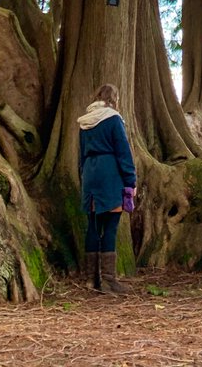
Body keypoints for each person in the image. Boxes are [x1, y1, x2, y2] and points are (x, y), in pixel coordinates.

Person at [77, 83, 137, 294]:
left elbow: (81, 156)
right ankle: (109, 281)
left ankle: (90, 280)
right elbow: (123, 151)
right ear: (114, 99)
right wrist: (131, 181)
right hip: (110, 175)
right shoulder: (113, 119)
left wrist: (83, 180)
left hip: (90, 176)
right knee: (110, 226)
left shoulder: (84, 123)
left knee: (93, 226)